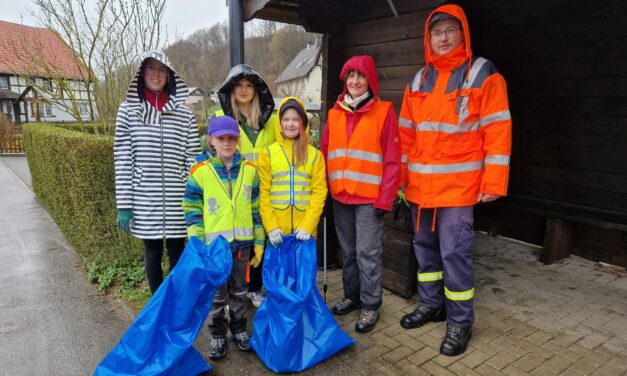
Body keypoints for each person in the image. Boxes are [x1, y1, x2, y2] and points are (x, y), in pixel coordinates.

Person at [398, 4, 512, 356]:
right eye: (437, 32)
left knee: (455, 255)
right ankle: (431, 304)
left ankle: (460, 322)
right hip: (421, 189)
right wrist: (402, 180)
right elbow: (406, 136)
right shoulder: (418, 80)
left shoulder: (483, 74)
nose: (443, 38)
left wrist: (493, 182)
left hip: (459, 191)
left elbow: (498, 130)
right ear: (428, 38)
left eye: (450, 30)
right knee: (425, 250)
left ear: (463, 33)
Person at [321, 55, 401, 333]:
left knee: (368, 253)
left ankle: (370, 305)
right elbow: (324, 152)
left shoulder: (384, 111)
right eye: (350, 76)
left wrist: (386, 197)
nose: (355, 81)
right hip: (341, 196)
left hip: (369, 199)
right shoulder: (335, 112)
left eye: (361, 76)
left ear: (370, 80)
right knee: (350, 252)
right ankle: (352, 296)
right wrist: (322, 191)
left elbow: (393, 158)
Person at [114, 51, 201, 294]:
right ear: (142, 73)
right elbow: (123, 159)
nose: (156, 74)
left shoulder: (185, 116)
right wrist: (124, 204)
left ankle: (173, 302)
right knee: (151, 253)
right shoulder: (128, 111)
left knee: (178, 251)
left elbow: (192, 160)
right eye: (151, 68)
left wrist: (195, 198)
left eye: (162, 69)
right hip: (144, 197)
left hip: (178, 198)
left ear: (170, 76)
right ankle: (156, 304)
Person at [182, 116, 265, 360]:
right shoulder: (200, 172)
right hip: (214, 247)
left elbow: (256, 209)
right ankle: (218, 334)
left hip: (242, 245)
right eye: (221, 138)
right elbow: (192, 209)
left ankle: (238, 329)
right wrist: (197, 242)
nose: (227, 143)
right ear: (211, 141)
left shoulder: (250, 171)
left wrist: (259, 242)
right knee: (217, 294)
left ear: (237, 141)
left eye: (231, 138)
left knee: (240, 291)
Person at [216, 64, 278, 308]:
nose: (243, 90)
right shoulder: (224, 121)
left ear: (256, 90)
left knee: (260, 240)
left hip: (265, 193)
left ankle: (255, 289)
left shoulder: (271, 122)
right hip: (235, 194)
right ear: (231, 90)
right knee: (238, 244)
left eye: (249, 86)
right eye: (238, 85)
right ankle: (234, 289)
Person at [258, 96, 327, 248]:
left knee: (302, 272)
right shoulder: (268, 154)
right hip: (277, 234)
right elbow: (264, 193)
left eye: (295, 119)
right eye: (286, 119)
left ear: (303, 122)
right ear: (279, 122)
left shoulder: (315, 155)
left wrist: (308, 226)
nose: (290, 124)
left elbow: (319, 193)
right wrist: (271, 226)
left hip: (303, 233)